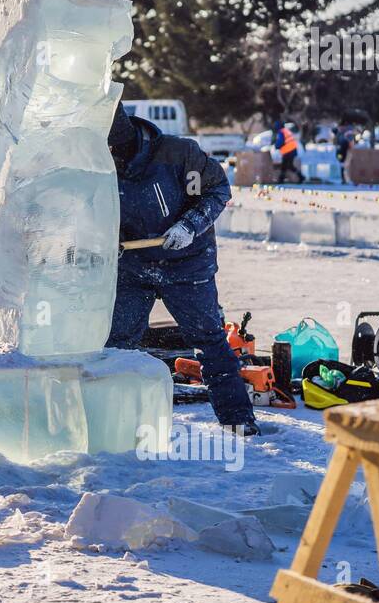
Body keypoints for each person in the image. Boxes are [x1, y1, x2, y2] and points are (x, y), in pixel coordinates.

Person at [104, 105, 262, 435]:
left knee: (209, 341)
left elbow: (219, 188)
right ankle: (117, 425)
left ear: (130, 141)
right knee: (118, 344)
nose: (114, 159)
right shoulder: (101, 162)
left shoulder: (179, 153)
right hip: (133, 266)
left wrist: (190, 225)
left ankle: (238, 422)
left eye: (117, 152)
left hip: (187, 264)